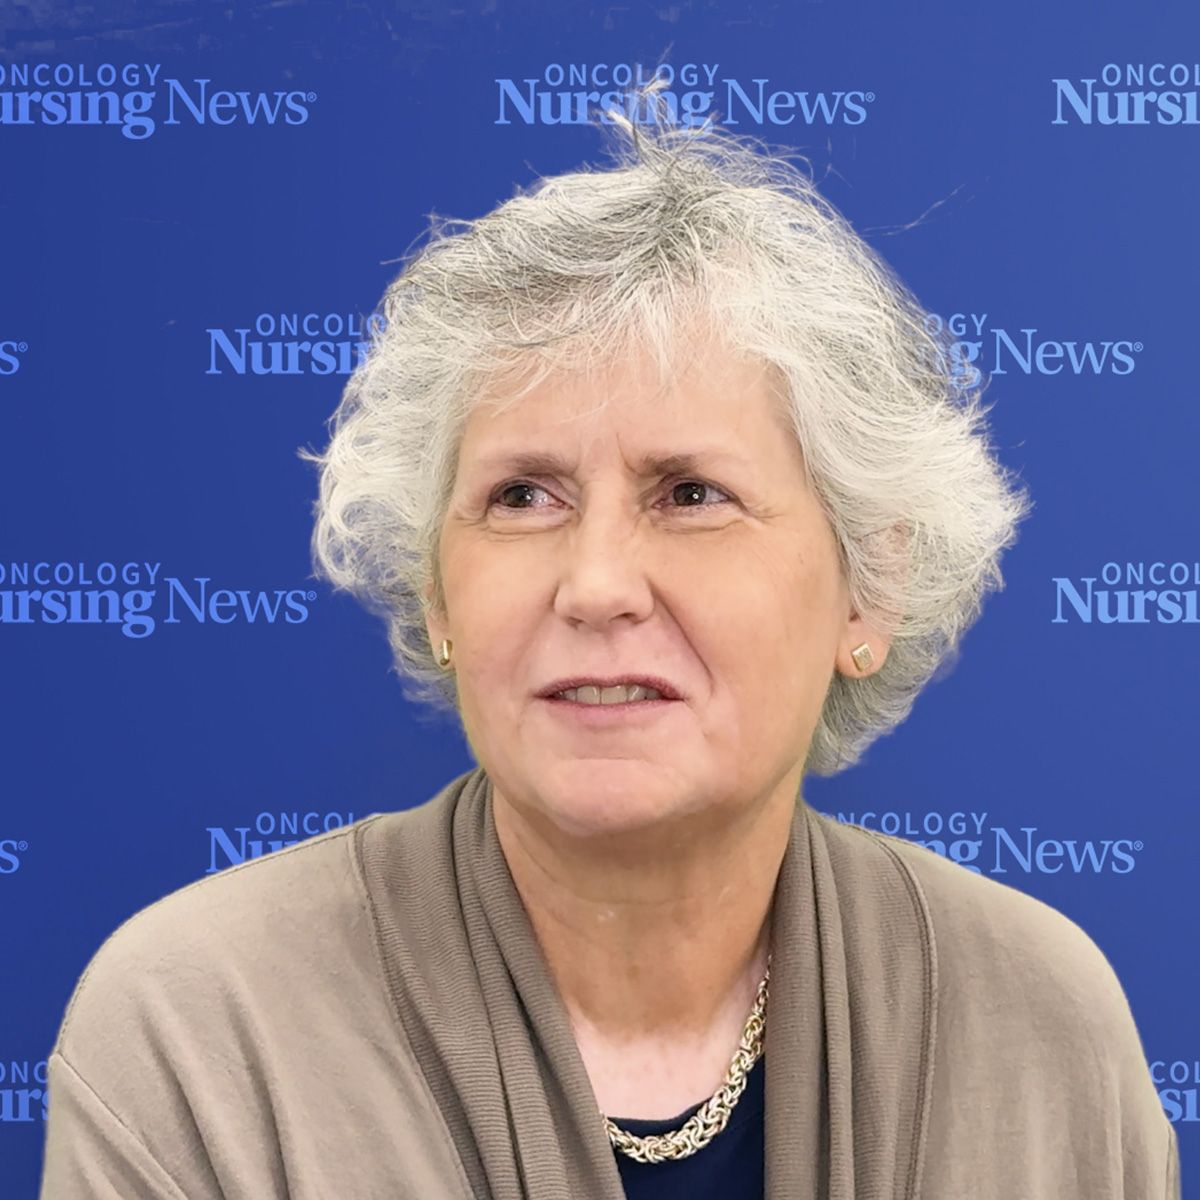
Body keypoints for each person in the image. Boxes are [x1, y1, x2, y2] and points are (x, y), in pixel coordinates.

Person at [39, 89, 1180, 1199]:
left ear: (864, 594)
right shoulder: (201, 1029)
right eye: (523, 497)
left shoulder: (1038, 1023)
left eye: (690, 493)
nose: (593, 585)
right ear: (438, 591)